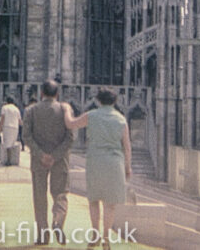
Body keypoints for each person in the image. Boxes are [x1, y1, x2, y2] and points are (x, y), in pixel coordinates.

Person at [64, 89, 132, 249]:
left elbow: (71, 124)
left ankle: (95, 234)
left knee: (94, 199)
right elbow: (127, 147)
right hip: (115, 163)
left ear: (98, 101)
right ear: (115, 102)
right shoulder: (121, 119)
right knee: (110, 204)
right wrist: (128, 167)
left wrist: (66, 109)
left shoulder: (92, 115)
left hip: (96, 161)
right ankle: (106, 238)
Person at [25, 80, 73, 245]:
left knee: (39, 197)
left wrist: (41, 155)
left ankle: (42, 236)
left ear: (41, 94)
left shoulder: (31, 110)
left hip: (38, 160)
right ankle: (58, 221)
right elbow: (70, 138)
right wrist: (55, 155)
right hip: (60, 160)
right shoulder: (64, 110)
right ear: (57, 94)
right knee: (60, 194)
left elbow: (26, 136)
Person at [0, 96, 22, 165]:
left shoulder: (4, 107)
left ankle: (9, 160)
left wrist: (0, 128)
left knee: (7, 144)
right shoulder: (16, 109)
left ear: (6, 101)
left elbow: (2, 118)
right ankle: (12, 159)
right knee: (12, 143)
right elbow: (19, 120)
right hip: (15, 127)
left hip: (7, 126)